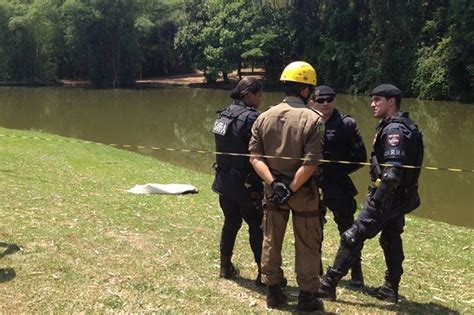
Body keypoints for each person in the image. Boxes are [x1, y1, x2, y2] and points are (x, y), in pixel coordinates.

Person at [317, 84, 424, 304]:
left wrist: (377, 201)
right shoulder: (406, 125)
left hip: (388, 196)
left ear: (391, 102)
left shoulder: (395, 130)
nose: (372, 104)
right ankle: (390, 289)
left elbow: (392, 174)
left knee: (352, 237)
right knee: (391, 238)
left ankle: (328, 284)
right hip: (401, 196)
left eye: (377, 100)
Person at [249, 61, 325, 312]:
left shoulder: (263, 117)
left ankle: (273, 292)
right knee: (307, 241)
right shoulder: (314, 119)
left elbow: (255, 158)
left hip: (273, 190)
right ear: (305, 90)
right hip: (301, 191)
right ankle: (306, 296)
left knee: (271, 238)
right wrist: (291, 188)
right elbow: (311, 163)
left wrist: (274, 184)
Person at [309, 85, 367, 287]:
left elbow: (360, 158)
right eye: (321, 100)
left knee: (348, 232)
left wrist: (337, 171)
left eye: (330, 99)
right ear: (312, 102)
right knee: (313, 229)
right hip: (313, 185)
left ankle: (356, 274)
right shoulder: (307, 122)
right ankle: (315, 270)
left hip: (338, 187)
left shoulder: (346, 124)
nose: (326, 104)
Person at [211, 77, 264, 285]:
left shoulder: (223, 115)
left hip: (225, 182)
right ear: (249, 95)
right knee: (257, 226)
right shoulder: (251, 118)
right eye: (259, 95)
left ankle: (225, 266)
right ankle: (264, 274)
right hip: (246, 185)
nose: (261, 100)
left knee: (231, 222)